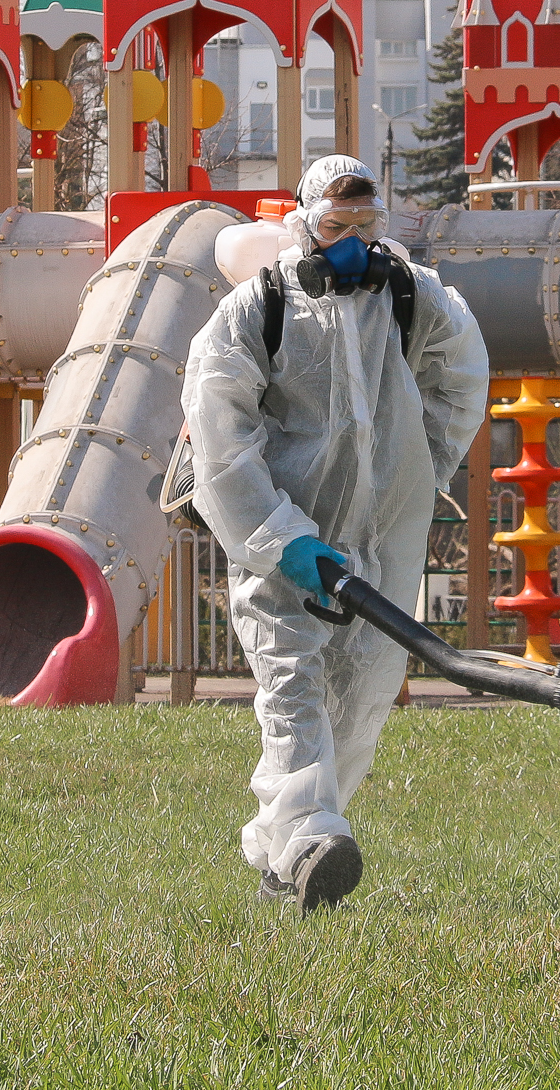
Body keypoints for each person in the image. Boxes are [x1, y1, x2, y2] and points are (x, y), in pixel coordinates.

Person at [180, 156, 489, 912]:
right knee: (292, 685)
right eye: (334, 228)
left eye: (367, 227)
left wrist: (418, 472)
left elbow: (464, 375)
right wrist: (281, 535)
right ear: (302, 223)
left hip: (380, 542)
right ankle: (313, 834)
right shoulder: (261, 307)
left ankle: (297, 851)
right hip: (285, 542)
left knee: (358, 702)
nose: (352, 244)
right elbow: (221, 431)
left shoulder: (413, 296)